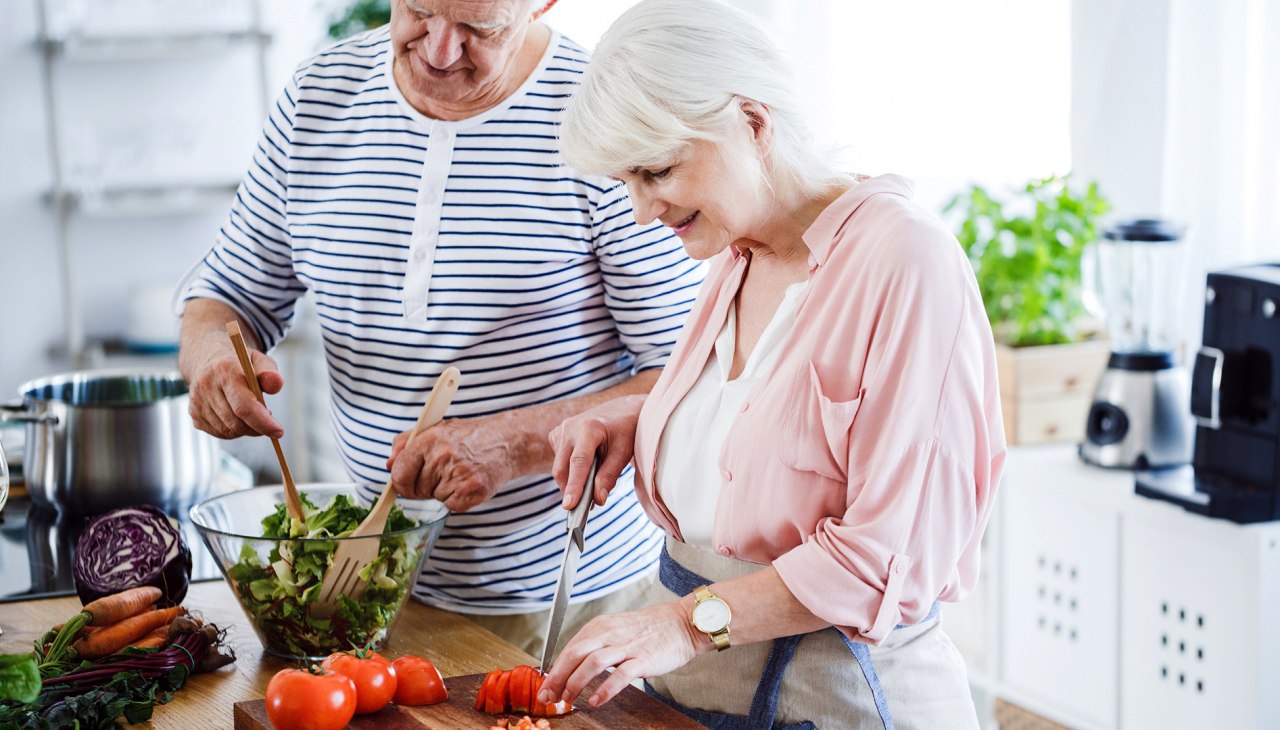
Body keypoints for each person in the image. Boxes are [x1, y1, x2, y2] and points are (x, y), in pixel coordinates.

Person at [175, 0, 705, 658]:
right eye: (420, 11)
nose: (440, 50)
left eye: (477, 29)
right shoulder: (319, 96)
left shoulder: (606, 119)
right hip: (371, 591)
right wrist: (212, 366)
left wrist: (514, 444)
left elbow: (692, 377)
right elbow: (223, 296)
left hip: (568, 604)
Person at [537, 0, 1005, 726]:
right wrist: (653, 419)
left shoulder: (907, 261)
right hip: (704, 701)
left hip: (843, 700)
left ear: (753, 123)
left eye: (657, 172)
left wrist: (683, 624)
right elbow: (781, 423)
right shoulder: (738, 252)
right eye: (629, 182)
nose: (640, 211)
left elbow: (884, 558)